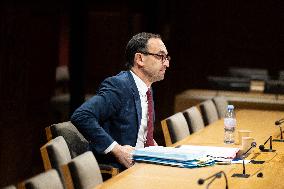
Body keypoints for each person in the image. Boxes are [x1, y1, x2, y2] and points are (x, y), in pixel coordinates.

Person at [71, 32, 170, 170]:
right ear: (140, 59)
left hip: (143, 165)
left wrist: (155, 149)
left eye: (167, 57)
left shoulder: (147, 88)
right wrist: (117, 150)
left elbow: (141, 133)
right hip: (119, 171)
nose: (167, 63)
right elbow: (82, 116)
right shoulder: (118, 86)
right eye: (161, 56)